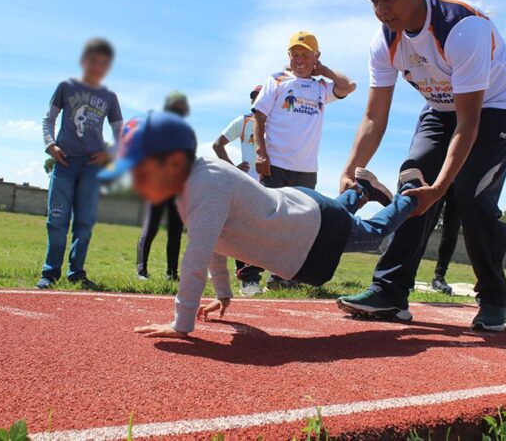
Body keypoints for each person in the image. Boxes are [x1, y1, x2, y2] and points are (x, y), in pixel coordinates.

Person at [337, 0, 506, 332]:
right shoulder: (383, 41)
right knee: (412, 184)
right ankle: (389, 291)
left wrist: (441, 188)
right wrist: (347, 170)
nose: (381, 9)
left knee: (470, 194)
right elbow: (375, 116)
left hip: (495, 107)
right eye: (374, 0)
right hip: (441, 109)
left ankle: (493, 296)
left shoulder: (462, 28)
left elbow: (469, 123)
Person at [98, 113, 422, 338]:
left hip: (309, 230)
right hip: (302, 208)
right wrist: (224, 294)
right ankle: (361, 190)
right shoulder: (192, 185)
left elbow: (196, 257)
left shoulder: (204, 185)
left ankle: (409, 195)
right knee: (337, 212)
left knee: (371, 236)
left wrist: (181, 324)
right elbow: (214, 242)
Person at [252, 31, 357, 290]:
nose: (299, 59)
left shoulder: (321, 87)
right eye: (294, 54)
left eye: (305, 54)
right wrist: (260, 152)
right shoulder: (277, 80)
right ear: (288, 56)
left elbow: (349, 86)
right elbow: (259, 116)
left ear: (315, 57)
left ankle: (280, 278)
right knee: (267, 220)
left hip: (306, 169)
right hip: (275, 163)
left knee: (299, 225)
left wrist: (324, 70)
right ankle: (249, 277)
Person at [36, 38, 123, 290]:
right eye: (94, 61)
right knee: (57, 220)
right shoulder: (66, 87)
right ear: (84, 61)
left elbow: (119, 130)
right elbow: (48, 120)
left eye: (104, 64)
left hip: (92, 167)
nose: (98, 67)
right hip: (64, 163)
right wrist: (50, 145)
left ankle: (76, 273)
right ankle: (50, 273)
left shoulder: (109, 96)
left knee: (84, 222)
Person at [212, 85, 264, 296]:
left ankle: (279, 278)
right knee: (244, 231)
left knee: (265, 232)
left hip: (275, 184)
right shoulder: (243, 122)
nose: (256, 101)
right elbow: (218, 145)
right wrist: (233, 168)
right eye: (253, 98)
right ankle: (248, 282)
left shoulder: (280, 122)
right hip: (247, 184)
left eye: (260, 97)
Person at [135, 91, 190, 281]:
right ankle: (141, 270)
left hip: (177, 188)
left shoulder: (187, 132)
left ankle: (172, 273)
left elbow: (189, 160)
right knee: (151, 227)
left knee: (175, 232)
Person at [432, 187, 459, 295]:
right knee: (427, 221)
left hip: (460, 178)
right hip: (437, 174)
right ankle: (408, 274)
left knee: (452, 227)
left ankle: (439, 276)